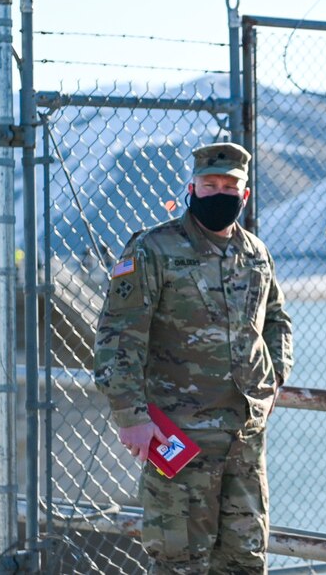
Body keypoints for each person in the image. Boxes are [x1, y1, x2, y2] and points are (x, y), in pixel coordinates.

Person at [94, 141, 294, 574]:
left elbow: (276, 318)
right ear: (192, 188)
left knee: (244, 559)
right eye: (209, 184)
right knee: (179, 560)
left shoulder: (255, 253)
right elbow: (117, 336)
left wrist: (274, 377)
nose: (218, 193)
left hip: (244, 437)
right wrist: (131, 415)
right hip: (180, 436)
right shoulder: (154, 249)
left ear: (244, 195)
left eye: (229, 186)